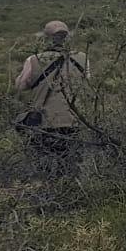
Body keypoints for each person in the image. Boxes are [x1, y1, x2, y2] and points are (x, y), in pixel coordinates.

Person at [12, 20, 90, 176]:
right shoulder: (83, 58)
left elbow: (20, 86)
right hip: (73, 122)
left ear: (46, 39)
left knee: (42, 167)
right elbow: (87, 83)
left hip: (43, 124)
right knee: (71, 167)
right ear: (67, 38)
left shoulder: (33, 60)